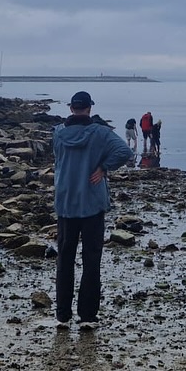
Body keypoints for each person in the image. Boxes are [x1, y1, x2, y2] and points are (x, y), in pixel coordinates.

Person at [52, 91, 132, 330]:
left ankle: (62, 315)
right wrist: (104, 168)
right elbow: (125, 152)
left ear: (71, 108)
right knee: (91, 259)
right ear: (88, 108)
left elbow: (57, 159)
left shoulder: (58, 133)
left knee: (64, 260)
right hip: (92, 205)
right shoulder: (100, 132)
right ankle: (87, 316)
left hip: (66, 203)